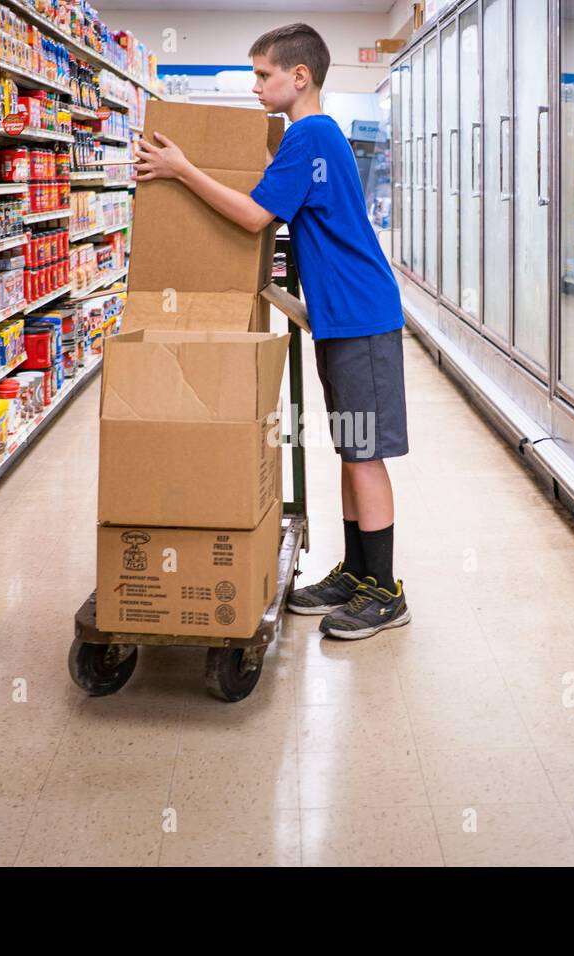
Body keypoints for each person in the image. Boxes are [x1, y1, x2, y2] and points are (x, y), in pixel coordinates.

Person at [134, 22, 410, 640]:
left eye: (263, 75)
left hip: (361, 318)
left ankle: (386, 593)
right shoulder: (310, 135)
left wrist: (181, 169)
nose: (255, 86)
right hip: (342, 318)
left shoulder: (309, 135)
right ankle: (358, 575)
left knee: (364, 455)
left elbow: (255, 214)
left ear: (299, 76)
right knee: (350, 446)